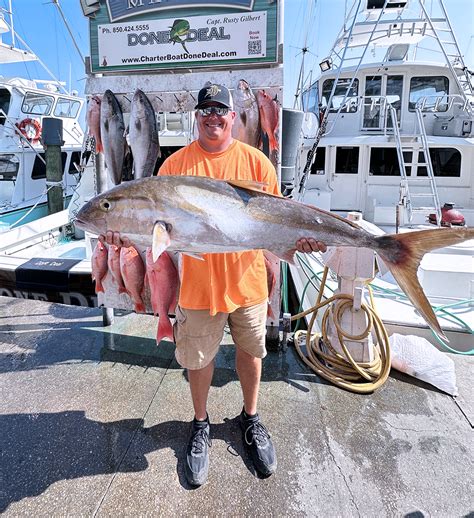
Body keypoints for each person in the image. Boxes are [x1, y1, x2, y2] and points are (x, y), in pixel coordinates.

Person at [100, 83, 326, 486]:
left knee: (251, 352)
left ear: (231, 116)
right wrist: (124, 232)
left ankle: (250, 417)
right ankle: (200, 423)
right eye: (205, 109)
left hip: (248, 284)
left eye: (220, 109)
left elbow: (279, 222)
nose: (213, 116)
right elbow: (158, 231)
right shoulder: (174, 168)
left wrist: (300, 240)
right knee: (199, 360)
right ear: (197, 116)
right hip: (199, 288)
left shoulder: (258, 164)